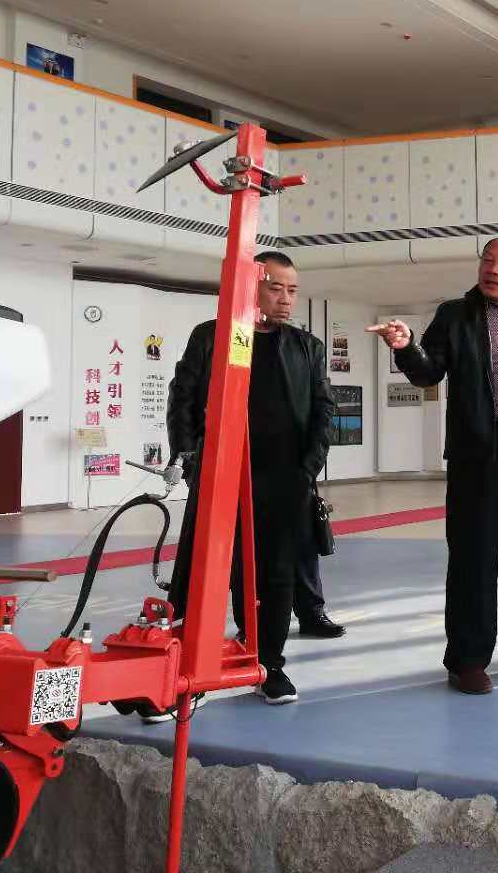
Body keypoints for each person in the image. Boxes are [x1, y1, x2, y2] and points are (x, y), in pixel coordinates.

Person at [367, 236, 498, 695]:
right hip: (479, 453)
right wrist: (405, 347)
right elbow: (428, 372)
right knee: (473, 559)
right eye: (487, 260)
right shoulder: (455, 315)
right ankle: (467, 660)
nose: (492, 269)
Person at [166, 251, 336, 706]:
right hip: (220, 477)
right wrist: (190, 460)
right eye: (276, 287)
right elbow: (183, 398)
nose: (286, 299)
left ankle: (268, 664)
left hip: (284, 479)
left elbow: (324, 410)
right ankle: (186, 672)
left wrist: (307, 470)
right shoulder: (212, 337)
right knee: (203, 572)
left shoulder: (307, 347)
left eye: (292, 290)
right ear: (251, 286)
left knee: (275, 576)